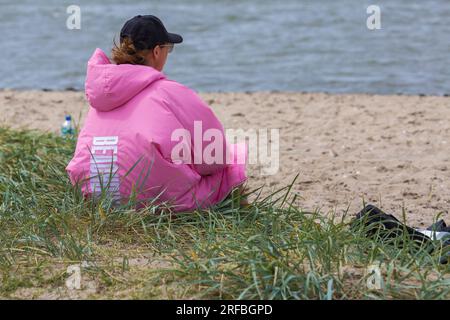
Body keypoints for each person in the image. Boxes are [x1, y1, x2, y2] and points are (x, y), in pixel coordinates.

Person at [66, 15, 248, 212]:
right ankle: (244, 216)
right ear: (156, 51)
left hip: (96, 198)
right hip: (152, 204)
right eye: (168, 49)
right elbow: (215, 155)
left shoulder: (100, 98)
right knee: (231, 165)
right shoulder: (168, 92)